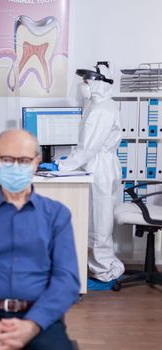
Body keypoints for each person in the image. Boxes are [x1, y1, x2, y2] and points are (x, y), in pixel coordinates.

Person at [0, 129, 80, 350]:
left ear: (36, 163)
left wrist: (32, 325)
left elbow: (66, 280)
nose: (16, 166)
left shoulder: (57, 215)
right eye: (7, 159)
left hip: (39, 319)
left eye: (24, 160)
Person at [42, 63, 125, 290]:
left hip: (101, 168)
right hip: (96, 166)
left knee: (100, 222)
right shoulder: (95, 105)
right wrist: (66, 163)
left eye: (87, 81)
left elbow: (88, 148)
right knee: (94, 220)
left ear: (99, 83)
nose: (83, 85)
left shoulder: (102, 110)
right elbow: (85, 146)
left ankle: (105, 274)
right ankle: (98, 268)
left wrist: (62, 165)